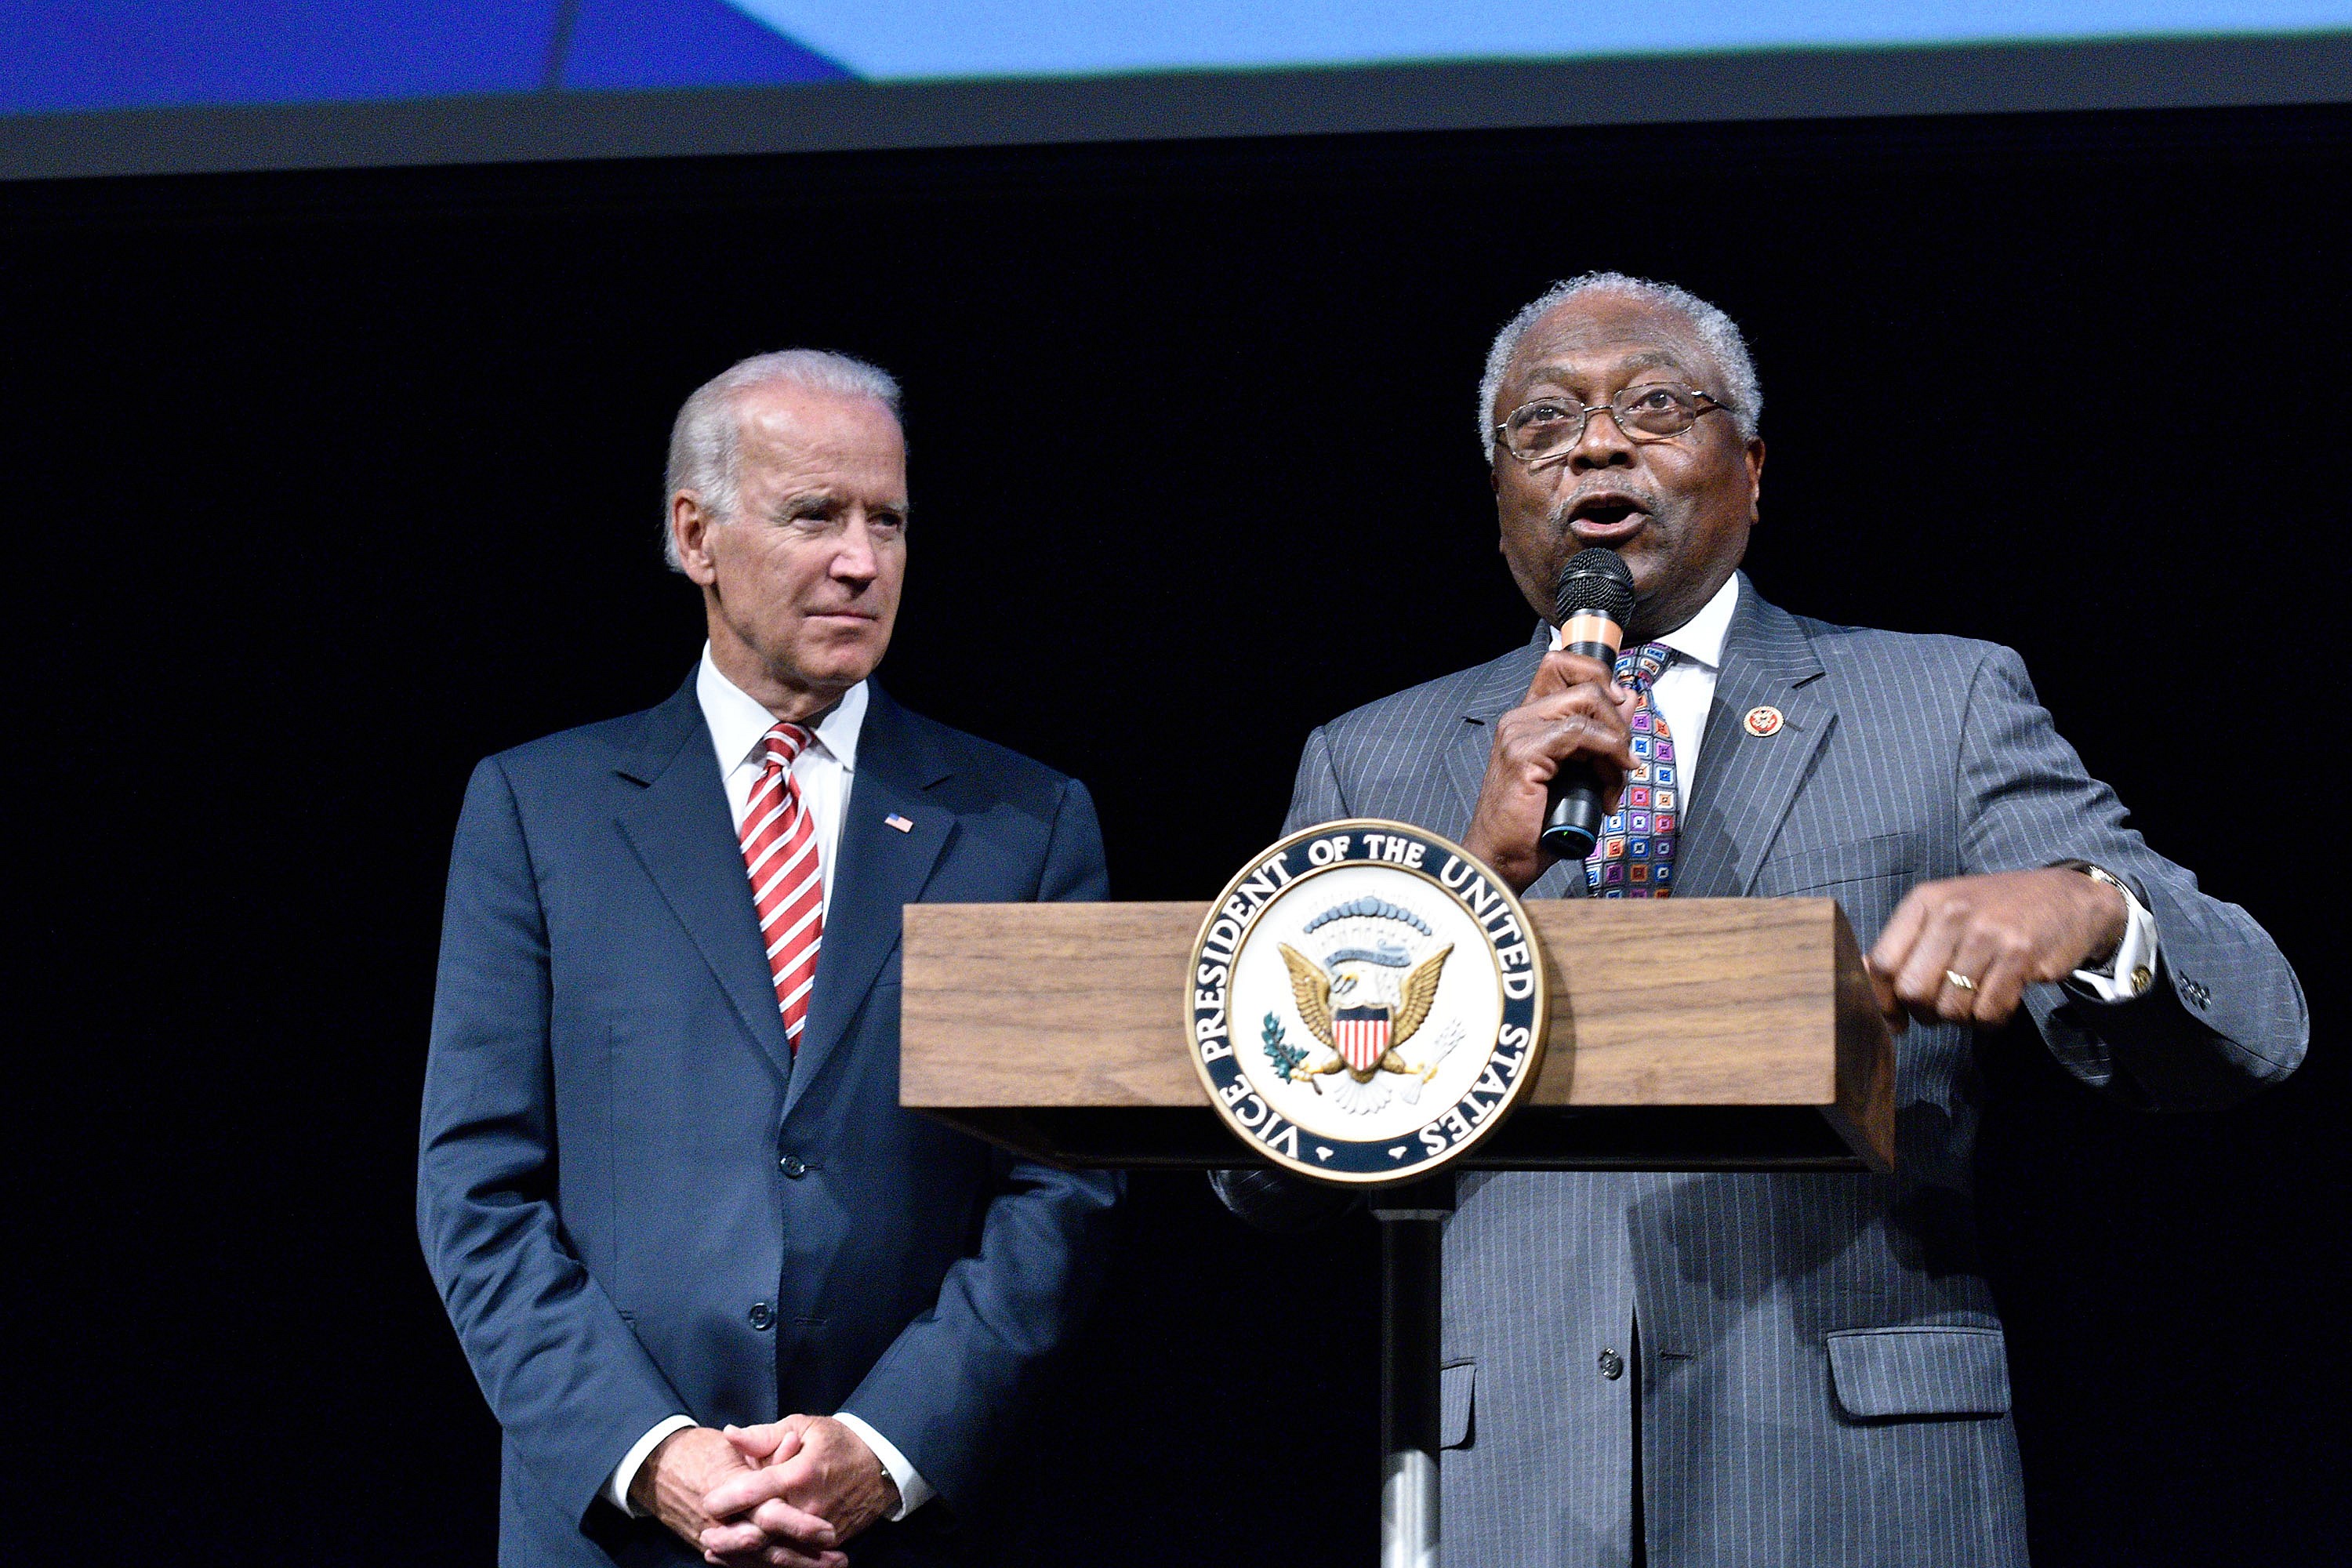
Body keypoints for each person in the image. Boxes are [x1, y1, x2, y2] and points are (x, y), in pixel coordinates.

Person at [1215, 274, 2306, 1566]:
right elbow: (1259, 1173)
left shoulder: (1939, 703)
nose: (1598, 444)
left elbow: (2256, 1026)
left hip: (1852, 1484)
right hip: (1509, 1487)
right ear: (1501, 494)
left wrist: (2092, 912)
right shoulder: (1375, 762)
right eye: (1544, 424)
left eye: (1656, 404)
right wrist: (1468, 875)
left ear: (1751, 466)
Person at [419, 350, 1120, 1567]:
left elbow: (1063, 1193)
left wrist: (886, 1444)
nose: (862, 559)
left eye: (888, 520)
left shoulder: (1026, 820)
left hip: (908, 1526)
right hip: (616, 1528)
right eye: (816, 516)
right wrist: (653, 1456)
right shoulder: (540, 811)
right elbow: (477, 1190)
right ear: (697, 536)